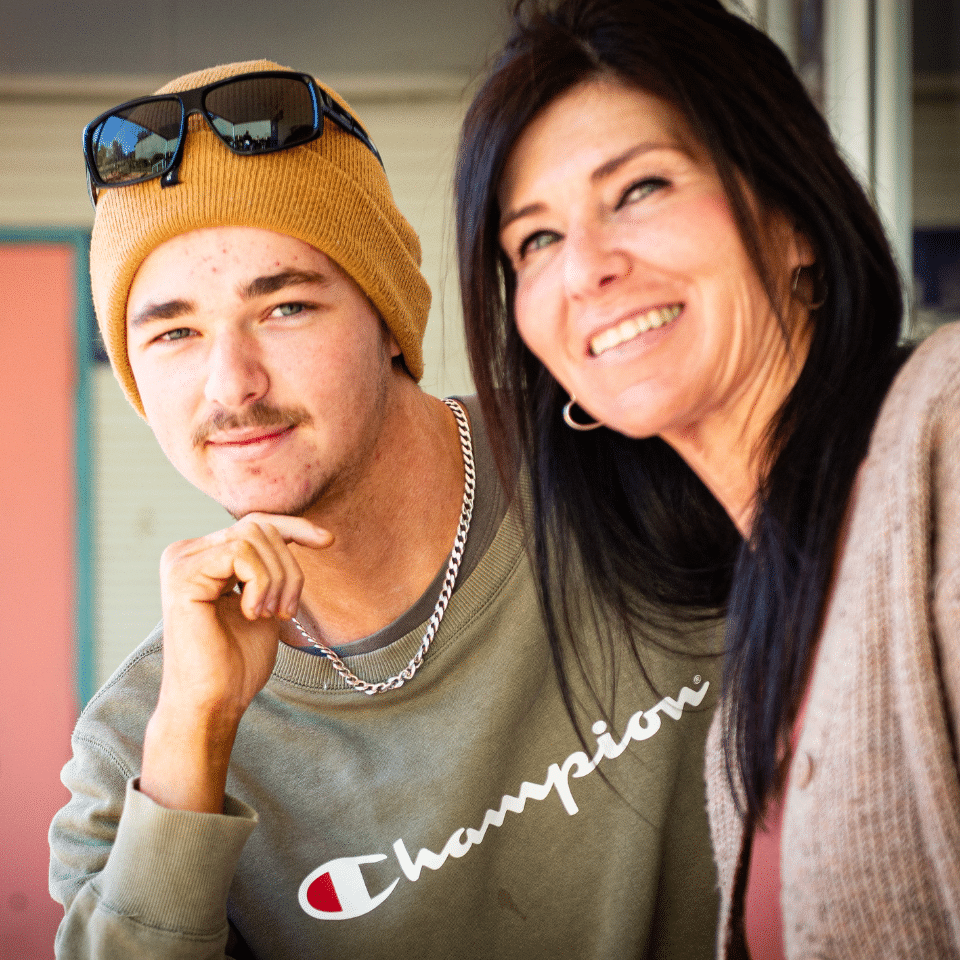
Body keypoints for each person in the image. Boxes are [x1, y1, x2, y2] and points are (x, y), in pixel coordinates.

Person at [49, 59, 723, 960]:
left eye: (285, 307)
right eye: (173, 332)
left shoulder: (626, 461)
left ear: (389, 314)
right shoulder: (140, 743)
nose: (231, 385)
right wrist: (197, 739)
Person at [454, 1, 960, 958]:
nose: (587, 270)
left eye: (639, 188)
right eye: (536, 241)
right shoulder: (757, 632)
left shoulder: (945, 433)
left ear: (795, 217)